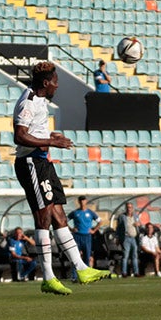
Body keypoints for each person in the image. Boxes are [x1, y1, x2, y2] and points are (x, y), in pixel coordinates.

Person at [13, 60, 113, 295]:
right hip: (31, 164)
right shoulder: (28, 102)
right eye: (55, 82)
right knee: (44, 217)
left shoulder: (40, 101)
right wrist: (50, 141)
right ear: (46, 83)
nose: (57, 86)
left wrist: (49, 135)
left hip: (43, 162)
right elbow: (19, 136)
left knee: (59, 215)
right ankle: (48, 276)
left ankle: (80, 267)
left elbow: (33, 131)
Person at [68, 195, 100, 268]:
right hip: (77, 236)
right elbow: (65, 221)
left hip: (87, 236)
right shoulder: (75, 212)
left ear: (86, 201)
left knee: (87, 256)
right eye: (81, 200)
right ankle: (74, 275)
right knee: (75, 256)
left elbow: (100, 222)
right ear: (79, 202)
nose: (82, 202)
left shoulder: (90, 212)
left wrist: (94, 230)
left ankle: (87, 274)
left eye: (84, 200)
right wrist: (71, 229)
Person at [115, 202, 140, 277]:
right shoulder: (122, 216)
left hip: (134, 238)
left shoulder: (135, 216)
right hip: (126, 238)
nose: (129, 209)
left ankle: (136, 272)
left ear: (132, 208)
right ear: (126, 208)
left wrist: (138, 224)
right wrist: (117, 238)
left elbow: (139, 224)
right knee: (125, 255)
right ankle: (124, 272)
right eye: (128, 207)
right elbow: (118, 228)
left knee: (134, 256)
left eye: (130, 207)